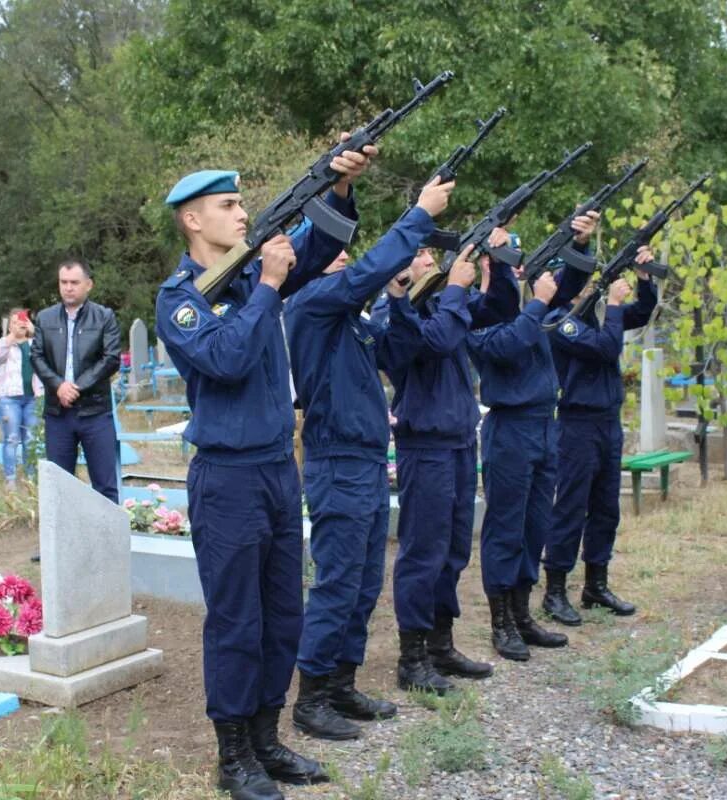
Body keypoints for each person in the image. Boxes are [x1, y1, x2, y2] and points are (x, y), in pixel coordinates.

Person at [156, 141, 373, 800]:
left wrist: (337, 189)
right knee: (236, 621)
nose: (242, 213)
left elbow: (313, 247)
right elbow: (226, 359)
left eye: (242, 202)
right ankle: (233, 756)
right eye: (228, 205)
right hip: (228, 480)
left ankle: (268, 738)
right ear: (194, 220)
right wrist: (271, 285)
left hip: (280, 471)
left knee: (284, 614)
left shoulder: (250, 277)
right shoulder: (182, 299)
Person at [288, 176, 455, 739]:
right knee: (337, 582)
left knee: (362, 583)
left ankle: (341, 682)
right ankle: (311, 698)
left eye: (346, 254)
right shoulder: (310, 305)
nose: (345, 259)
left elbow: (402, 351)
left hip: (363, 460)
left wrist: (402, 296)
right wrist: (418, 217)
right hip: (336, 460)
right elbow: (363, 273)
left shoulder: (353, 323)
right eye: (335, 255)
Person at [465, 216, 597, 662]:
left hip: (544, 424)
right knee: (505, 528)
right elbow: (508, 345)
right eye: (505, 264)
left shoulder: (531, 306)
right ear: (486, 265)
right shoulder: (474, 311)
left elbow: (566, 286)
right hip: (510, 429)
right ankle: (500, 620)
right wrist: (534, 303)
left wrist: (580, 243)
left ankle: (522, 613)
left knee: (536, 524)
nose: (515, 273)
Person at [374, 246, 500, 694]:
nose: (431, 261)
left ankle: (440, 645)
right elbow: (437, 340)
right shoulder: (393, 311)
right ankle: (412, 659)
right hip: (425, 447)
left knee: (452, 552)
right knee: (422, 553)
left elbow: (497, 308)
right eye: (420, 255)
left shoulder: (444, 301)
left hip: (460, 442)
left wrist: (495, 264)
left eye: (432, 254)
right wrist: (456, 292)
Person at [543, 250, 658, 623]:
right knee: (571, 507)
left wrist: (644, 279)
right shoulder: (560, 321)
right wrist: (613, 304)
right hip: (577, 425)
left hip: (608, 422)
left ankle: (596, 583)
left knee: (606, 507)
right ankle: (555, 590)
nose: (591, 287)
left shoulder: (594, 317)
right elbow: (608, 346)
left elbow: (640, 313)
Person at [30, 261, 122, 503]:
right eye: (63, 282)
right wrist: (58, 386)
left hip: (95, 412)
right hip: (58, 414)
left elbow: (111, 359)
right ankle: (64, 541)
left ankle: (107, 540)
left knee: (105, 485)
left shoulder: (104, 317)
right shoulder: (45, 318)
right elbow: (37, 357)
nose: (68, 288)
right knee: (59, 486)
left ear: (88, 285)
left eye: (74, 283)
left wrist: (77, 387)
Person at [0, 309, 42, 489]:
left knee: (30, 439)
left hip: (32, 398)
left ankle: (30, 477)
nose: (18, 325)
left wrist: (34, 331)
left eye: (21, 321)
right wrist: (13, 336)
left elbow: (49, 351)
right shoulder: (3, 344)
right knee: (11, 438)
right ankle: (10, 478)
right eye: (14, 322)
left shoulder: (34, 343)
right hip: (9, 398)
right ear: (9, 326)